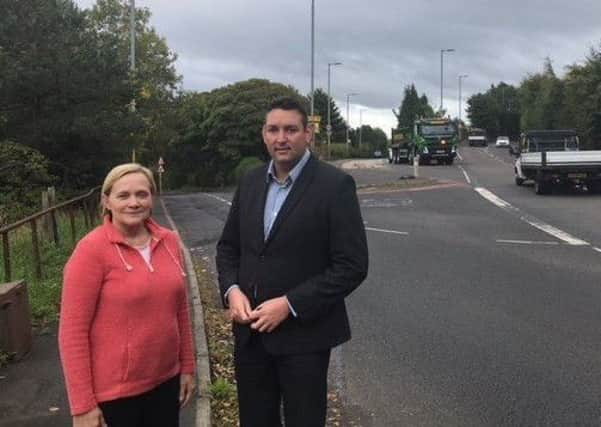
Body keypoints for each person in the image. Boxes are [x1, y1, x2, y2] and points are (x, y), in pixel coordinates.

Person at [216, 97, 369, 427]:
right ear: (263, 134)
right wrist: (232, 291)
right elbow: (229, 248)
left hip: (305, 339)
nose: (281, 138)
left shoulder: (335, 186)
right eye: (273, 129)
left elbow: (352, 265)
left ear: (308, 134)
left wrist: (289, 304)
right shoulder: (251, 182)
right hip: (251, 335)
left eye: (290, 130)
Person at [59, 163, 196, 427]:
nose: (134, 203)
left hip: (166, 383)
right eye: (123, 195)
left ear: (151, 198)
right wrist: (83, 405)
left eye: (142, 194)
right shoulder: (91, 251)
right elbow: (72, 332)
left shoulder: (168, 241)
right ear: (106, 201)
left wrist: (187, 367)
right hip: (114, 395)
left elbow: (180, 309)